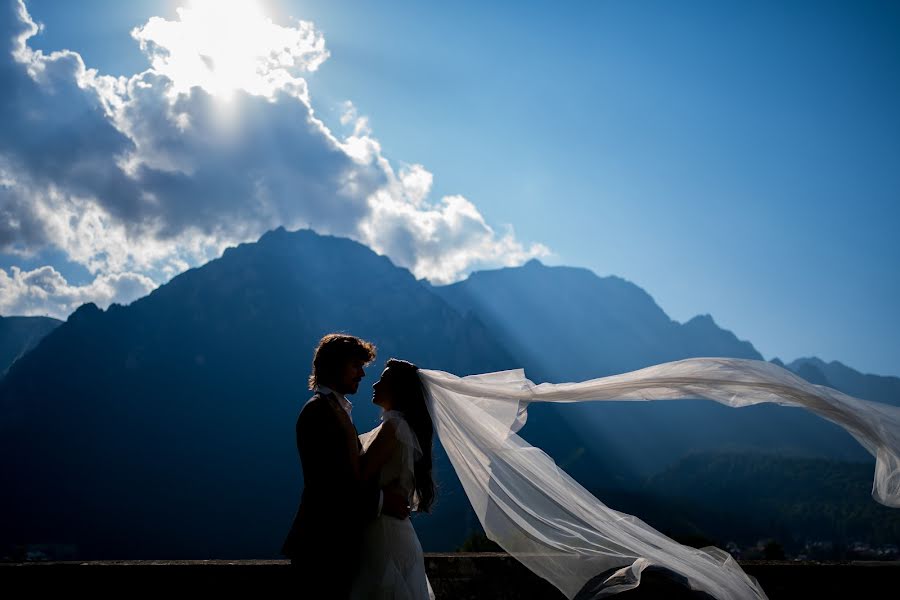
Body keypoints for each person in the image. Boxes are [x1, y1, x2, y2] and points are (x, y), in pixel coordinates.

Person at [281, 334, 411, 599]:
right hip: (322, 547)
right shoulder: (320, 412)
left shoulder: (332, 409)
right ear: (333, 366)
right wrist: (384, 502)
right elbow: (332, 487)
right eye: (355, 365)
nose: (362, 374)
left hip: (331, 546)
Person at [350, 358, 436, 599]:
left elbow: (358, 477)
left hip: (383, 534)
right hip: (394, 531)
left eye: (384, 380)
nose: (375, 384)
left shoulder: (394, 427)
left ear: (398, 391)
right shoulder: (401, 427)